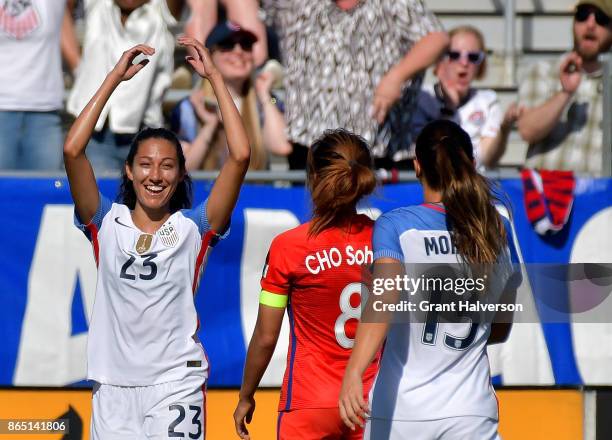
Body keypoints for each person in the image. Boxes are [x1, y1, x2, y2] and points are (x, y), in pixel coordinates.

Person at [63, 37, 250, 439]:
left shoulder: (195, 227)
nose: (155, 175)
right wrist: (114, 78)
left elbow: (239, 155)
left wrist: (215, 77)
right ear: (128, 171)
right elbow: (73, 150)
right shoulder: (103, 221)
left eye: (167, 166)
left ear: (182, 175)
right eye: (145, 164)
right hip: (111, 387)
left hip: (175, 386)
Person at [339, 120, 522, 439]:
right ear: (471, 164)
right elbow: (501, 326)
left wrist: (354, 371)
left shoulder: (395, 225)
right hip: (471, 411)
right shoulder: (495, 225)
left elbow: (384, 298)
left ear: (417, 166)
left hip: (403, 410)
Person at [233, 129, 381, 440]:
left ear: (314, 177)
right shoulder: (386, 238)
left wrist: (246, 394)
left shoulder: (290, 246)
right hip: (372, 401)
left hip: (309, 404)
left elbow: (265, 336)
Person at [261, 0, 449, 170]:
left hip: (376, 151)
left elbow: (436, 38)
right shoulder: (296, 4)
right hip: (309, 149)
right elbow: (251, 14)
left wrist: (396, 77)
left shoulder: (395, 3)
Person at [66, 0, 182, 173]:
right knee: (97, 199)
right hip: (95, 135)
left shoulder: (160, 11)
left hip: (145, 135)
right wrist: (77, 66)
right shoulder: (98, 6)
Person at [172, 20, 290, 171]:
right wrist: (210, 125)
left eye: (246, 45)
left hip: (254, 192)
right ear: (209, 56)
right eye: (227, 45)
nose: (239, 51)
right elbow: (183, 169)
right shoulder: (189, 106)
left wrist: (264, 95)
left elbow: (281, 147)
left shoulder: (262, 101)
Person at [517, 0, 612, 175]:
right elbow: (527, 131)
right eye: (582, 15)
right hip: (543, 196)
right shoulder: (543, 71)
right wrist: (565, 93)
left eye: (601, 18)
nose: (590, 25)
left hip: (598, 198)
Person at [411, 26, 522, 170]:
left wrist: (504, 129)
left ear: (480, 65)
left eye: (473, 57)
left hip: (472, 186)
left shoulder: (487, 101)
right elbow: (427, 157)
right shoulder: (421, 98)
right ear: (439, 60)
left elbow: (487, 159)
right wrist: (449, 109)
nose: (464, 63)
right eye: (454, 55)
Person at [0, 0, 78, 170]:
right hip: (2, 110)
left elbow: (63, 19)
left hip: (45, 113)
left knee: (44, 190)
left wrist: (80, 71)